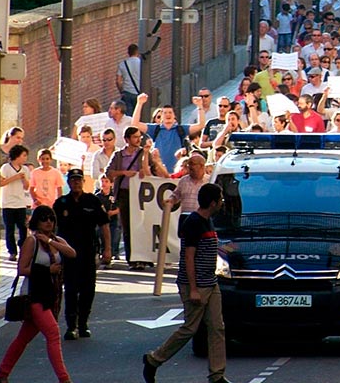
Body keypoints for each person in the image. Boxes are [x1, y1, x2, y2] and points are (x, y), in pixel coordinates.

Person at [143, 184, 232, 383]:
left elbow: (206, 248)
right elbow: (188, 258)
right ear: (212, 202)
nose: (222, 203)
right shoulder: (193, 223)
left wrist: (225, 248)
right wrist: (193, 289)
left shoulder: (208, 221)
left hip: (211, 282)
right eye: (220, 199)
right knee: (190, 328)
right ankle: (154, 359)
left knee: (217, 327)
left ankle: (217, 375)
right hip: (196, 284)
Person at [0, 205, 76, 383]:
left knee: (23, 338)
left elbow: (72, 253)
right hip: (34, 295)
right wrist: (47, 270)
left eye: (51, 218)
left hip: (50, 295)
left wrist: (49, 242)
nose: (48, 222)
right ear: (36, 221)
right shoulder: (31, 241)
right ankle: (64, 379)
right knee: (53, 333)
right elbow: (22, 269)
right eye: (44, 218)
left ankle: (2, 374)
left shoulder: (55, 240)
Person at [53, 169, 111, 340]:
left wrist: (108, 249)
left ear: (83, 182)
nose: (76, 183)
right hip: (67, 254)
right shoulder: (61, 203)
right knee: (70, 289)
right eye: (73, 180)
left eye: (79, 180)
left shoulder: (92, 201)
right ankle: (71, 326)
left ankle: (83, 323)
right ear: (68, 183)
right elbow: (52, 228)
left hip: (88, 251)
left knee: (88, 289)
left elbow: (104, 225)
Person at [104, 126, 152, 269]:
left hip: (140, 194)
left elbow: (148, 172)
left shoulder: (143, 153)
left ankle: (142, 257)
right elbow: (109, 172)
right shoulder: (119, 155)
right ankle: (132, 258)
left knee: (141, 225)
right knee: (127, 226)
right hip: (124, 193)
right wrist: (124, 172)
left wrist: (145, 158)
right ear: (127, 139)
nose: (138, 140)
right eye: (135, 137)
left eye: (139, 137)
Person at [0, 144, 31, 262]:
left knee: (22, 227)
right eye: (23, 155)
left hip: (20, 203)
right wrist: (15, 177)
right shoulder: (5, 168)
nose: (25, 158)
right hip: (8, 203)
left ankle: (23, 248)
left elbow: (27, 187)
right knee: (9, 229)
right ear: (17, 156)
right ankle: (12, 251)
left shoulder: (26, 169)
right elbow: (1, 183)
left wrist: (23, 179)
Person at [116, 43, 141, 115]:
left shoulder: (122, 64)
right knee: (138, 114)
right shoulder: (141, 63)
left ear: (128, 52)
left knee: (128, 116)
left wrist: (121, 91)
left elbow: (118, 81)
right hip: (138, 93)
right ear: (137, 52)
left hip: (127, 93)